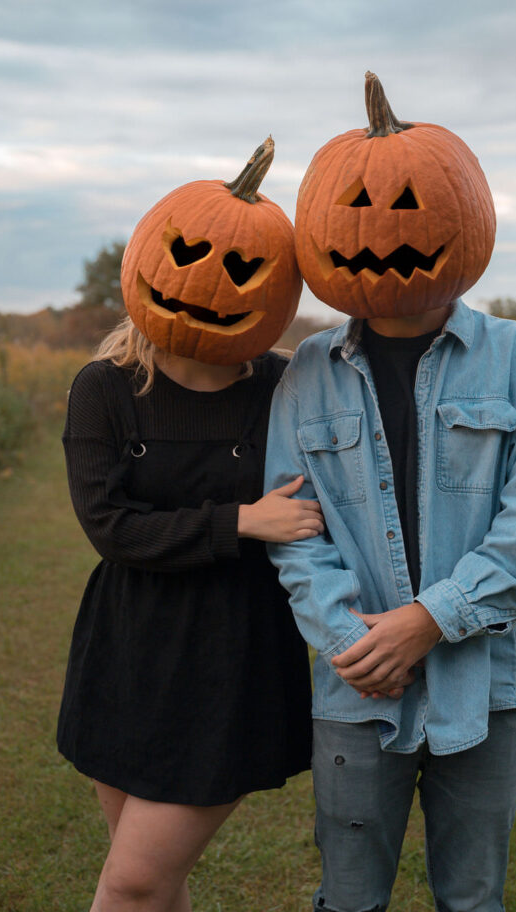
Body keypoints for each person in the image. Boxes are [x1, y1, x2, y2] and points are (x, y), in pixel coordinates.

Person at [264, 74, 516, 912]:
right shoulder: (305, 373)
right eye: (354, 209)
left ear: (464, 213)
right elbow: (293, 528)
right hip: (353, 684)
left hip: (482, 683)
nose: (378, 230)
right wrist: (353, 643)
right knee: (349, 897)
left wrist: (430, 619)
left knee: (472, 899)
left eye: (406, 204)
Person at [57, 139, 321, 912]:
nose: (213, 284)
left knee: (134, 881)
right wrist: (242, 520)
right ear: (151, 261)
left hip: (232, 651)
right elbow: (112, 529)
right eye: (191, 258)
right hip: (129, 645)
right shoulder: (106, 389)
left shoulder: (285, 385)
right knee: (149, 879)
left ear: (275, 290)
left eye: (242, 271)